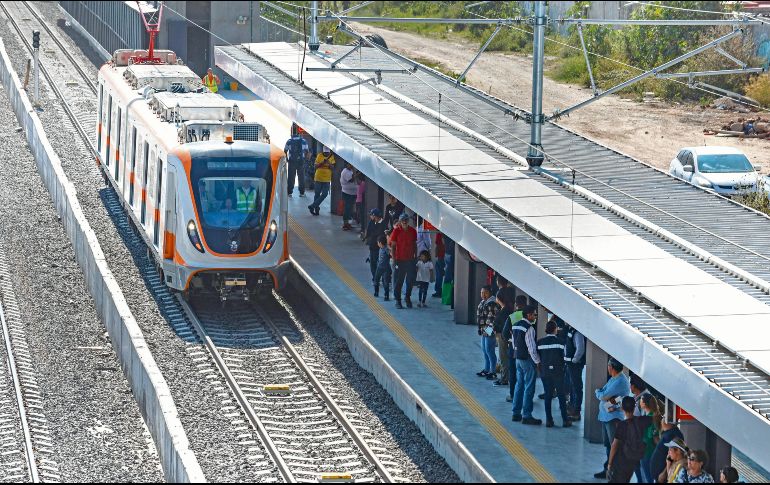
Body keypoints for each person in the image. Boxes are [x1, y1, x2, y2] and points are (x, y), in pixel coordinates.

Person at [594, 358, 631, 479]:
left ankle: (613, 470)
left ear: (612, 367)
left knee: (614, 446)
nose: (607, 368)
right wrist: (601, 394)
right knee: (608, 445)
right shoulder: (614, 378)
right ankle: (608, 469)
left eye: (608, 366)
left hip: (613, 418)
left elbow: (602, 395)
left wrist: (599, 394)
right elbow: (603, 393)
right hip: (606, 417)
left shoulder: (619, 381)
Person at [607, 396, 652, 483]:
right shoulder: (642, 421)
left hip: (622, 460)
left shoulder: (622, 425)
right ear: (634, 407)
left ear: (622, 408)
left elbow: (614, 445)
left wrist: (609, 464)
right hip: (635, 459)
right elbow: (655, 417)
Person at [537, 320, 572, 428]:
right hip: (558, 373)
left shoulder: (540, 342)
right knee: (561, 396)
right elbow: (564, 357)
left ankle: (549, 420)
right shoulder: (561, 342)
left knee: (548, 395)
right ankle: (565, 420)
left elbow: (538, 357)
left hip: (545, 373)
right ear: (555, 330)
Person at [511, 305, 542, 426]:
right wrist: (537, 361)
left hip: (517, 358)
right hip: (527, 360)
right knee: (529, 387)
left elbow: (514, 342)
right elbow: (531, 347)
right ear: (528, 315)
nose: (535, 317)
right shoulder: (529, 328)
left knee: (519, 385)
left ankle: (516, 413)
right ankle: (527, 415)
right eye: (534, 314)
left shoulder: (516, 325)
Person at [389, 213, 417, 309]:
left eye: (406, 220)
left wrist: (415, 257)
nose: (404, 222)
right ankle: (398, 300)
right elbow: (393, 246)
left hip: (410, 260)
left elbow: (414, 244)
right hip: (399, 260)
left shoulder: (413, 231)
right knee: (399, 281)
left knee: (409, 281)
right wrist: (394, 259)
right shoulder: (396, 231)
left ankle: (407, 298)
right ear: (400, 222)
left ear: (408, 221)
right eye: (402, 220)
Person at [503, 295, 528, 403]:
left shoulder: (512, 316)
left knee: (513, 373)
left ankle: (513, 395)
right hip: (527, 350)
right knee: (526, 374)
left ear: (516, 304)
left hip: (513, 349)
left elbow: (504, 334)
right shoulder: (530, 316)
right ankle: (525, 396)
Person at [492, 277, 514, 388]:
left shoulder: (502, 312)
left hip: (502, 335)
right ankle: (509, 377)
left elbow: (495, 325)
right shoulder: (512, 310)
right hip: (511, 335)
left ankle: (504, 378)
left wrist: (489, 331)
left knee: (503, 356)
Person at [650, 418, 685, 482]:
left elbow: (675, 457)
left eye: (664, 418)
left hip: (662, 476)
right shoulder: (668, 432)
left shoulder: (673, 434)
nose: (662, 420)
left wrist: (664, 473)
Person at [564, 322, 586, 422]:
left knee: (577, 388)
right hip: (570, 364)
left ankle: (576, 411)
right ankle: (572, 407)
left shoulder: (578, 333)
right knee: (573, 386)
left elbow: (580, 349)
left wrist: (574, 360)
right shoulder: (571, 330)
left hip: (574, 365)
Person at [639, 393, 662, 484]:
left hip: (647, 452)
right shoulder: (653, 416)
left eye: (641, 400)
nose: (639, 403)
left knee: (648, 478)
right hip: (650, 452)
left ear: (644, 404)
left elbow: (652, 437)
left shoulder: (649, 418)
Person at [476, 286, 498, 379]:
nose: (483, 295)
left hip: (489, 332)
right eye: (481, 293)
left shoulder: (491, 303)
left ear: (490, 293)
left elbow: (492, 319)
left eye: (485, 293)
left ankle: (493, 372)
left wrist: (488, 332)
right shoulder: (483, 302)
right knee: (485, 350)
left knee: (490, 351)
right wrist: (481, 329)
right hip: (484, 331)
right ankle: (486, 369)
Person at [308, 146, 335, 215]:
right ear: (323, 152)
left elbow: (333, 167)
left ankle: (313, 206)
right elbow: (315, 166)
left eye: (328, 153)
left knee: (325, 194)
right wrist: (322, 163)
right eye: (325, 153)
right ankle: (316, 210)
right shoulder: (319, 156)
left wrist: (328, 163)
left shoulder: (332, 156)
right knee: (317, 194)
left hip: (327, 179)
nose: (326, 154)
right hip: (318, 178)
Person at [284, 126, 310, 197]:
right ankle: (302, 193)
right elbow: (307, 152)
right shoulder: (304, 141)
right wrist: (306, 159)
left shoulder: (289, 141)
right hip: (301, 162)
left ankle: (289, 193)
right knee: (301, 177)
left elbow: (285, 151)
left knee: (291, 177)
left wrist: (287, 159)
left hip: (292, 162)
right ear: (299, 133)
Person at [365, 208, 386, 283]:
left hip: (380, 248)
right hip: (372, 246)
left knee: (380, 264)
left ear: (377, 216)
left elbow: (379, 234)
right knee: (372, 264)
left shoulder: (383, 224)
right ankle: (375, 278)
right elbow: (369, 231)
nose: (371, 217)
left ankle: (383, 279)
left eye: (372, 215)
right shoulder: (372, 222)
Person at [373, 235, 391, 300]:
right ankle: (376, 292)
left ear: (380, 243)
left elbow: (390, 254)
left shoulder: (386, 249)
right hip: (379, 267)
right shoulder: (380, 248)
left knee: (385, 282)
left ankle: (386, 295)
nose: (377, 244)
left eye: (378, 242)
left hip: (386, 268)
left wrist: (389, 249)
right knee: (376, 280)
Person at [340, 163, 357, 230]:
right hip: (347, 193)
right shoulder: (346, 171)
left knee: (350, 208)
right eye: (350, 164)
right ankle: (345, 223)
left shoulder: (351, 171)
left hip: (352, 193)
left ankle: (348, 223)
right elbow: (351, 180)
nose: (351, 165)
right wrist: (357, 173)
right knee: (347, 208)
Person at [432, 232, 446, 298]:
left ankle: (438, 291)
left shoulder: (439, 233)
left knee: (439, 274)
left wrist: (436, 255)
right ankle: (444, 291)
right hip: (447, 255)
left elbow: (438, 245)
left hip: (441, 256)